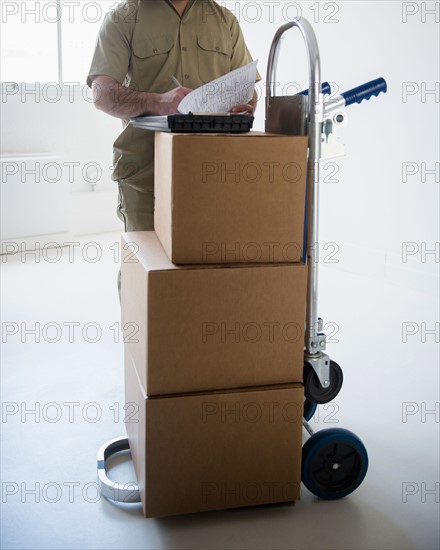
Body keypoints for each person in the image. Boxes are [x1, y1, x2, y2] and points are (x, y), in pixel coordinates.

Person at [87, 0, 258, 238]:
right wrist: (157, 102)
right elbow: (101, 94)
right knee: (146, 269)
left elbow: (248, 90)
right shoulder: (123, 17)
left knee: (204, 267)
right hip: (146, 174)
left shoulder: (225, 20)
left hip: (214, 171)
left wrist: (246, 104)